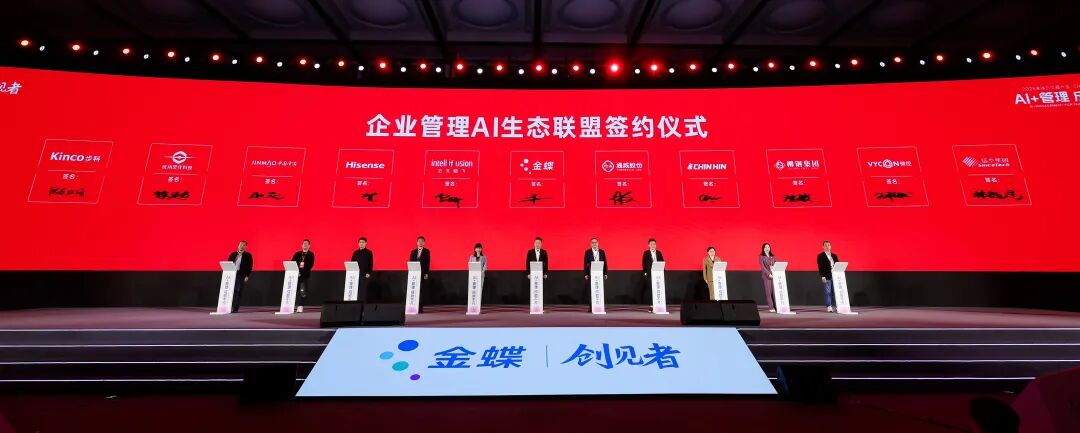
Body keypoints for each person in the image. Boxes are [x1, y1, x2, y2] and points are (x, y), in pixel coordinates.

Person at [226, 241, 253, 313]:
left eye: (244, 245)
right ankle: (228, 306)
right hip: (231, 274)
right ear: (238, 245)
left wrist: (247, 275)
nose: (241, 246)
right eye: (240, 244)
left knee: (238, 291)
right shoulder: (233, 254)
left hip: (240, 274)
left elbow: (250, 266)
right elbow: (228, 263)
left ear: (246, 247)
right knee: (230, 290)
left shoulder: (248, 255)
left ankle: (235, 308)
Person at [291, 239, 315, 313]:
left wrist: (301, 273)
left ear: (309, 246)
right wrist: (296, 272)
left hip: (304, 276)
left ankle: (300, 306)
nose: (305, 245)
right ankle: (291, 305)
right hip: (295, 276)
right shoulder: (297, 254)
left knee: (303, 292)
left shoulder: (311, 254)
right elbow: (292, 263)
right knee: (293, 291)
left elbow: (310, 265)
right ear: (302, 245)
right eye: (304, 243)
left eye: (306, 244)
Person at [583, 237, 608, 308]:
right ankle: (591, 307)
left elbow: (605, 263)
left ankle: (600, 306)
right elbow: (585, 263)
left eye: (595, 242)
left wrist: (605, 273)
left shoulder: (602, 252)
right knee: (591, 290)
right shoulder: (588, 252)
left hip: (600, 273)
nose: (594, 244)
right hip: (591, 273)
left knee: (599, 290)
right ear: (590, 244)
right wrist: (586, 273)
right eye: (592, 243)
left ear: (598, 243)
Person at [409, 236, 431, 311]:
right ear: (417, 242)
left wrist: (426, 273)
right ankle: (413, 305)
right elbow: (411, 262)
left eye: (422, 241)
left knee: (421, 290)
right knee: (414, 289)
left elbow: (427, 263)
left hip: (422, 273)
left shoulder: (427, 251)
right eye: (419, 241)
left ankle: (420, 307)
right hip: (414, 274)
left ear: (424, 243)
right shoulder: (413, 251)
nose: (420, 242)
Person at [816, 240, 839, 313]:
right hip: (826, 276)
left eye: (828, 245)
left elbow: (838, 265)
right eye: (825, 245)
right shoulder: (820, 256)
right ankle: (829, 306)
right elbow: (820, 267)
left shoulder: (834, 256)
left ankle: (837, 306)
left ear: (830, 246)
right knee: (828, 292)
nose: (827, 247)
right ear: (823, 247)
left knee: (835, 292)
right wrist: (822, 276)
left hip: (835, 276)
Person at [640, 238, 664, 305]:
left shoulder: (659, 253)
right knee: (650, 289)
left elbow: (662, 262)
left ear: (656, 245)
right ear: (648, 245)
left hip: (658, 274)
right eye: (651, 244)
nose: (653, 245)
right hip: (649, 274)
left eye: (654, 244)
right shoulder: (646, 253)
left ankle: (658, 303)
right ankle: (651, 304)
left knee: (658, 289)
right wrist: (645, 272)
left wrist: (663, 271)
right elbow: (643, 263)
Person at [351, 237, 374, 302]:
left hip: (364, 274)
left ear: (366, 243)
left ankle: (363, 303)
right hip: (355, 274)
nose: (361, 244)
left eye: (363, 242)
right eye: (360, 242)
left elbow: (371, 263)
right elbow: (352, 262)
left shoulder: (369, 252)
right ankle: (355, 303)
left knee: (363, 290)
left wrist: (369, 272)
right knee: (355, 290)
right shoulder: (355, 252)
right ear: (358, 243)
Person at [759, 243, 776, 312]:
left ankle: (776, 306)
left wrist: (775, 273)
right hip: (766, 276)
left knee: (774, 292)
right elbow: (762, 267)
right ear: (763, 249)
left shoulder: (772, 256)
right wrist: (769, 274)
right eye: (765, 247)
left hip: (774, 275)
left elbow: (775, 264)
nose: (767, 248)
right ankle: (771, 307)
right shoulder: (761, 257)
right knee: (768, 292)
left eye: (768, 247)